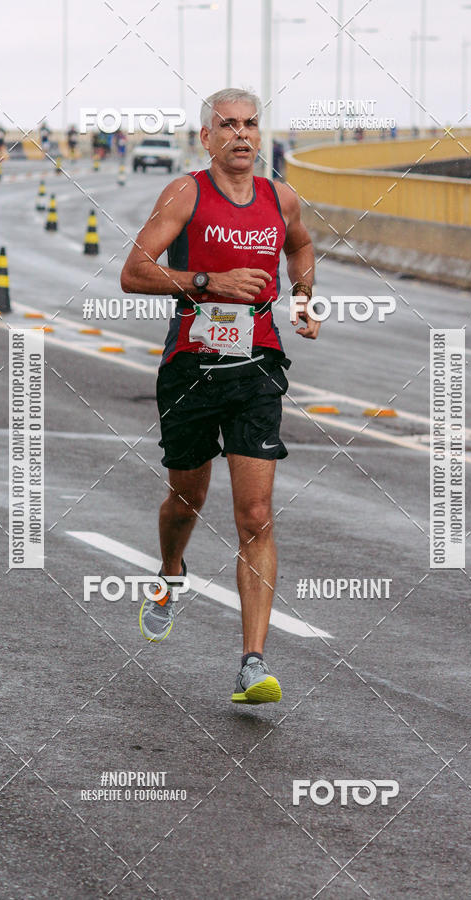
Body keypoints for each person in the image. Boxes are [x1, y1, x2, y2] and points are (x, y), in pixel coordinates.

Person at [120, 88, 319, 704]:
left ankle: (252, 664)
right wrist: (209, 280)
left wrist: (305, 300)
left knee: (255, 514)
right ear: (206, 137)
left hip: (257, 365)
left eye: (251, 124)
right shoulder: (186, 193)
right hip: (191, 368)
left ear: (261, 135)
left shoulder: (278, 196)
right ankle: (171, 571)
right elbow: (132, 273)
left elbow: (302, 245)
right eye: (227, 125)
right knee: (187, 496)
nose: (240, 135)